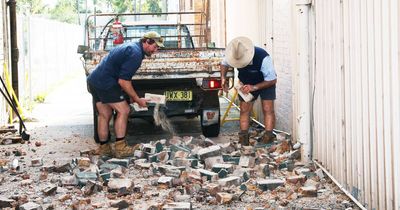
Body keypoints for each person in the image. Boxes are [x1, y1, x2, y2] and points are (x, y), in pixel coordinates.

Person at [87, 31, 164, 158]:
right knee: (124, 110)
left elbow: (122, 77)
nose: (155, 50)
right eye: (155, 47)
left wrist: (131, 98)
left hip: (95, 80)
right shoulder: (136, 54)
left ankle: (104, 148)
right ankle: (120, 148)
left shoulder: (131, 47)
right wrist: (137, 99)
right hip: (106, 83)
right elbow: (123, 81)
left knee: (104, 114)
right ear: (147, 41)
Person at [220, 36, 277, 146]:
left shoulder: (263, 57)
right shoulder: (234, 54)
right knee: (244, 109)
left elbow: (272, 80)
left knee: (267, 109)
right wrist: (223, 77)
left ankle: (268, 138)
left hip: (266, 83)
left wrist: (254, 87)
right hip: (246, 83)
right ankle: (243, 139)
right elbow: (224, 64)